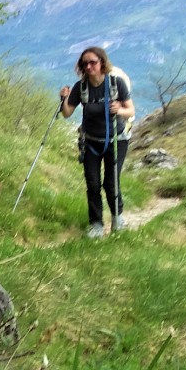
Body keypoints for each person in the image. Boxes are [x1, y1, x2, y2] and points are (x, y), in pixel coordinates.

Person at [60, 46, 134, 238]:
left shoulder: (116, 84)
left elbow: (130, 111)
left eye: (93, 62)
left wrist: (119, 109)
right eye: (85, 63)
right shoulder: (81, 87)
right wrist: (64, 99)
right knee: (92, 184)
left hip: (116, 140)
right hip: (91, 142)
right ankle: (96, 225)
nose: (89, 66)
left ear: (102, 62)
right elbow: (67, 114)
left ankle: (118, 218)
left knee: (111, 183)